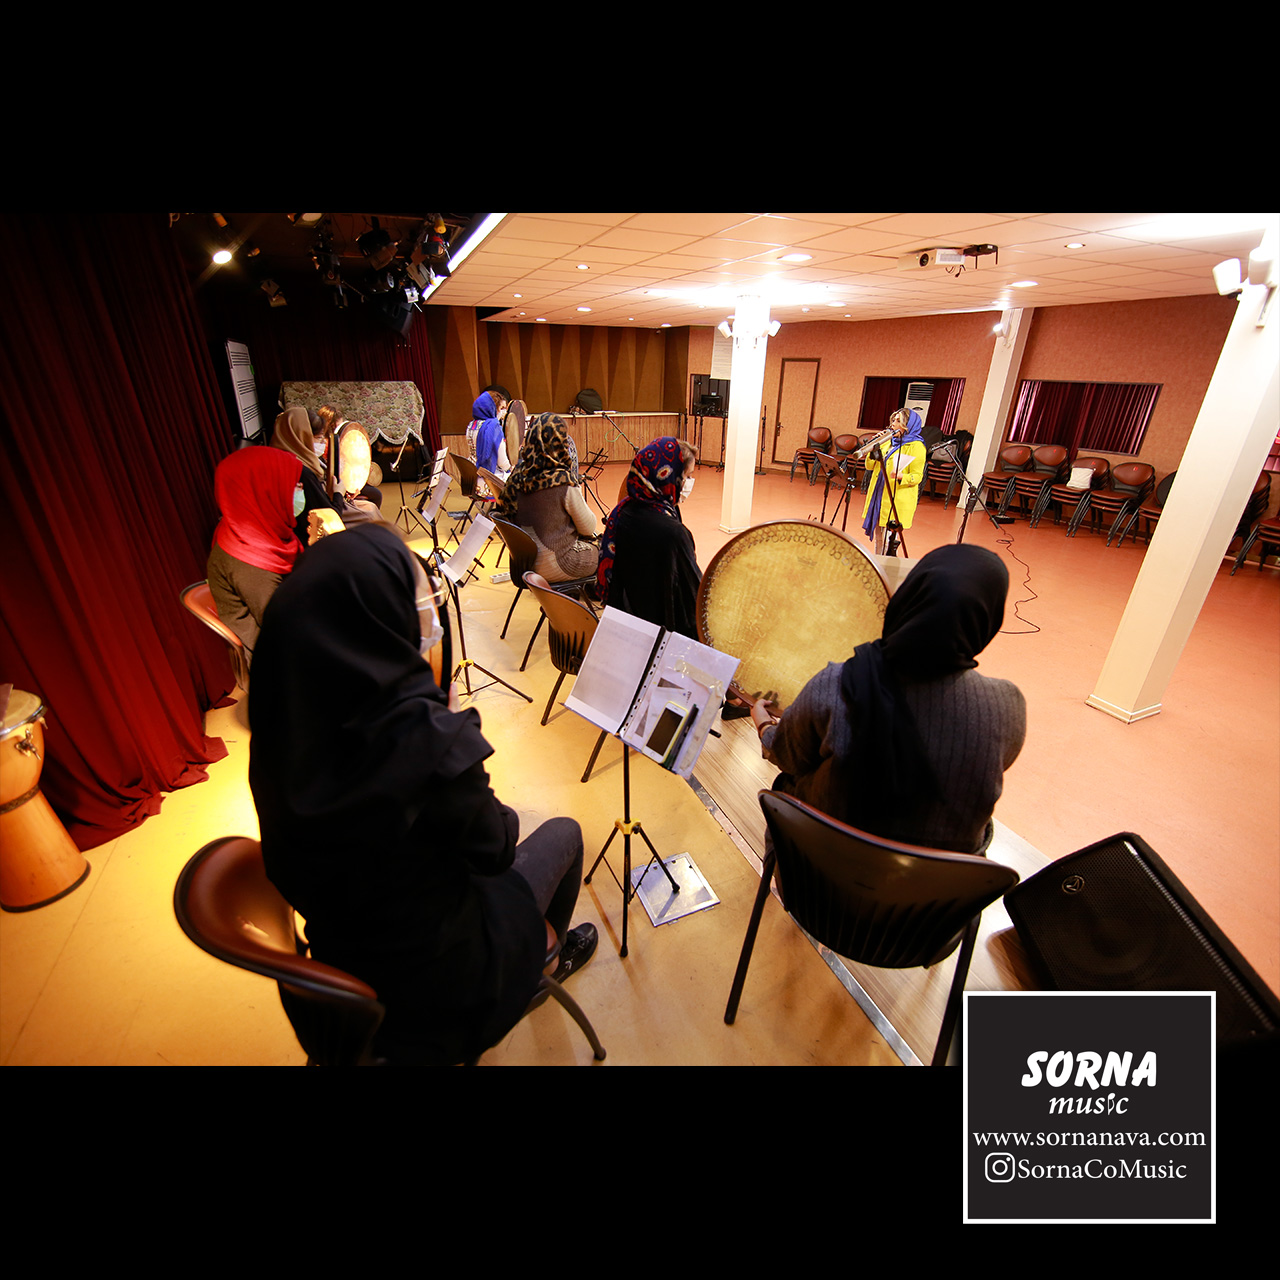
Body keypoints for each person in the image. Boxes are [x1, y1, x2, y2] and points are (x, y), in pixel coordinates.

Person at [248, 522, 598, 1065]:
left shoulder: (281, 734)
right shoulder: (423, 738)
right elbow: (497, 847)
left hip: (342, 977)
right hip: (441, 985)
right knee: (565, 834)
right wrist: (451, 731)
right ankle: (544, 963)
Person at [750, 544, 1025, 855]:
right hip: (944, 883)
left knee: (790, 781)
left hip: (822, 875)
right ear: (988, 620)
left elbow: (787, 755)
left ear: (908, 598)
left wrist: (764, 727)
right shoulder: (1007, 706)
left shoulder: (838, 684)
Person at [206, 445, 304, 661]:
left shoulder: (260, 528)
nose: (299, 489)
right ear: (263, 488)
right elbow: (286, 627)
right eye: (293, 484)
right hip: (277, 661)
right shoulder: (248, 557)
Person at [596, 437, 701, 635]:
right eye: (687, 477)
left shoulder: (621, 512)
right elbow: (693, 596)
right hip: (660, 633)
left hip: (625, 623)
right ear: (669, 477)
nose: (688, 484)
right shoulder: (673, 533)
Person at [492, 412, 599, 583]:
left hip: (524, 566)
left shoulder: (516, 477)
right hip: (559, 565)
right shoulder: (562, 481)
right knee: (607, 549)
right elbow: (588, 527)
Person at [269, 406, 342, 545]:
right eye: (318, 438)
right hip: (306, 536)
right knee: (369, 513)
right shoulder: (301, 470)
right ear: (302, 437)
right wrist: (339, 493)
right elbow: (329, 516)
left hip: (291, 529)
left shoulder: (276, 457)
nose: (322, 442)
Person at [862, 407, 928, 555]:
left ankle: (887, 565)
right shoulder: (886, 441)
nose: (893, 423)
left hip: (896, 498)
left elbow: (917, 476)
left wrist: (902, 476)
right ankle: (878, 562)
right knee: (879, 538)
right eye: (893, 420)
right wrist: (874, 446)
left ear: (908, 425)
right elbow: (869, 466)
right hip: (879, 495)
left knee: (889, 541)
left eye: (898, 421)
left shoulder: (917, 446)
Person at [467, 389, 511, 481]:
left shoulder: (471, 425)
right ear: (492, 408)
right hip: (491, 479)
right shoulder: (494, 427)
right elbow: (503, 463)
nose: (503, 412)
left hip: (473, 476)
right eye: (501, 408)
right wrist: (511, 467)